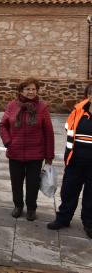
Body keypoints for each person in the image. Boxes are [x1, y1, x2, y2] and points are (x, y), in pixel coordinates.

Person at [0, 77, 54, 221]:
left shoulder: (42, 107)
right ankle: (18, 205)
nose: (31, 92)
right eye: (28, 89)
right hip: (15, 152)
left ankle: (31, 208)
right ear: (21, 91)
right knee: (16, 183)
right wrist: (8, 142)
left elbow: (48, 132)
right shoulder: (12, 106)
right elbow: (3, 125)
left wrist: (49, 156)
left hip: (35, 154)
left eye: (34, 89)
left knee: (33, 184)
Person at [48, 83, 92, 238]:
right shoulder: (77, 111)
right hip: (75, 161)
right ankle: (63, 219)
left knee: (91, 195)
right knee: (68, 191)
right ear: (88, 96)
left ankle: (89, 223)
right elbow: (68, 128)